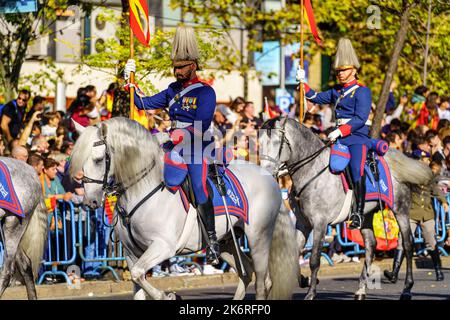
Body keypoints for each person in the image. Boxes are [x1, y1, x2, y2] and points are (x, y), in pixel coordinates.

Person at [124, 26, 220, 264]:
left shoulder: (206, 92)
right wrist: (130, 82)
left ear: (193, 66)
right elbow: (142, 104)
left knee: (198, 185)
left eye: (181, 67)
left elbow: (202, 123)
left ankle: (212, 241)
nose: (176, 71)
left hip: (197, 145)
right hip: (173, 144)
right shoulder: (171, 90)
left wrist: (180, 134)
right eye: (175, 67)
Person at [297, 38, 372, 229]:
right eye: (338, 71)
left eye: (344, 70)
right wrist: (301, 81)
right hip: (337, 136)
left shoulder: (362, 92)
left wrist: (340, 130)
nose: (340, 74)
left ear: (354, 70)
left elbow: (360, 118)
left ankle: (358, 212)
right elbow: (314, 96)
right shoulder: (337, 91)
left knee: (356, 168)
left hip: (356, 137)